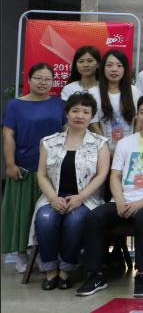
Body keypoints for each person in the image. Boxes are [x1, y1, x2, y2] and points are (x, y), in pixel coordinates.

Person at [76, 94, 143, 298]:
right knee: (94, 217)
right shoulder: (125, 143)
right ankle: (95, 274)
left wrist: (141, 203)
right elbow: (115, 176)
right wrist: (120, 201)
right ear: (137, 115)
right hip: (121, 200)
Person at [31, 92, 110, 290]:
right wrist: (52, 198)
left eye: (85, 112)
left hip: (86, 199)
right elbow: (41, 174)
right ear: (67, 113)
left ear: (91, 116)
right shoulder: (49, 142)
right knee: (45, 219)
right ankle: (50, 271)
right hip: (53, 197)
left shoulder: (100, 143)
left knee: (75, 220)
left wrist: (81, 197)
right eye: (75, 110)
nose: (80, 115)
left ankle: (66, 271)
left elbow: (102, 175)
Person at [2, 63, 65, 274]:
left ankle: (43, 253)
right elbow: (8, 135)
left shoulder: (59, 104)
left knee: (46, 214)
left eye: (47, 79)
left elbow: (67, 132)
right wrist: (10, 163)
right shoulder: (15, 105)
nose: (43, 82)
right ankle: (21, 253)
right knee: (23, 212)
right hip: (24, 167)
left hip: (52, 169)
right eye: (38, 78)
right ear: (29, 80)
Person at [89, 50, 140, 154]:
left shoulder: (134, 91)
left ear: (125, 69)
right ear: (103, 68)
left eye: (119, 65)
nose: (114, 69)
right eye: (109, 65)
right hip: (103, 149)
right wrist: (106, 150)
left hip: (130, 149)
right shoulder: (93, 93)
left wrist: (133, 146)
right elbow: (94, 125)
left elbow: (139, 122)